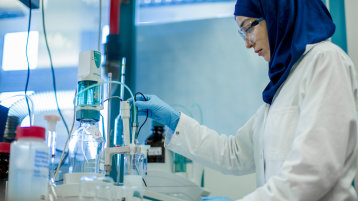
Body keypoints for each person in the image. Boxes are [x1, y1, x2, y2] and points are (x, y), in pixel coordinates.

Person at [132, 0, 358, 200]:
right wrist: (175, 121)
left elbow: (314, 170)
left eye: (249, 27)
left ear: (277, 12)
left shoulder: (326, 61)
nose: (247, 43)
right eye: (242, 33)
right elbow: (233, 152)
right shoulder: (282, 87)